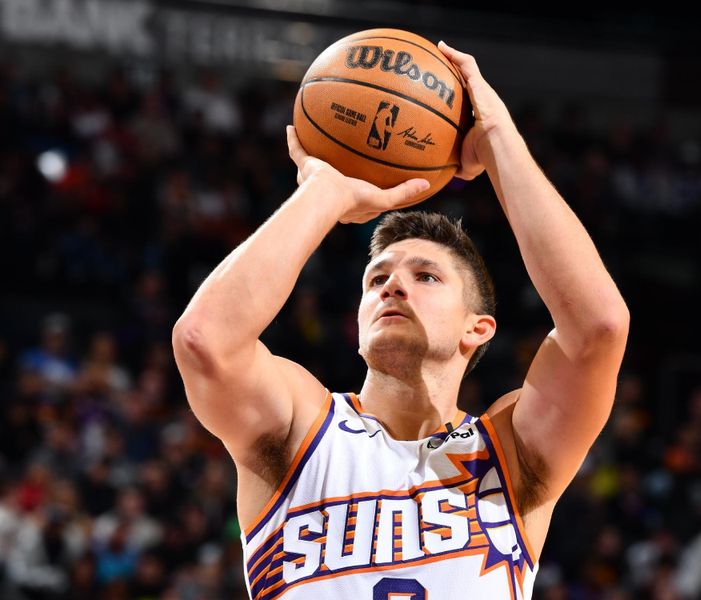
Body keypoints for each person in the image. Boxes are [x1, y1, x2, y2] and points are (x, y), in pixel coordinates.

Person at [172, 41, 629, 599]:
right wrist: (325, 191)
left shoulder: (511, 452)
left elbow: (599, 328)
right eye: (376, 278)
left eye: (427, 277)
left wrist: (498, 139)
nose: (392, 284)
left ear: (477, 329)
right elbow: (204, 341)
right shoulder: (301, 427)